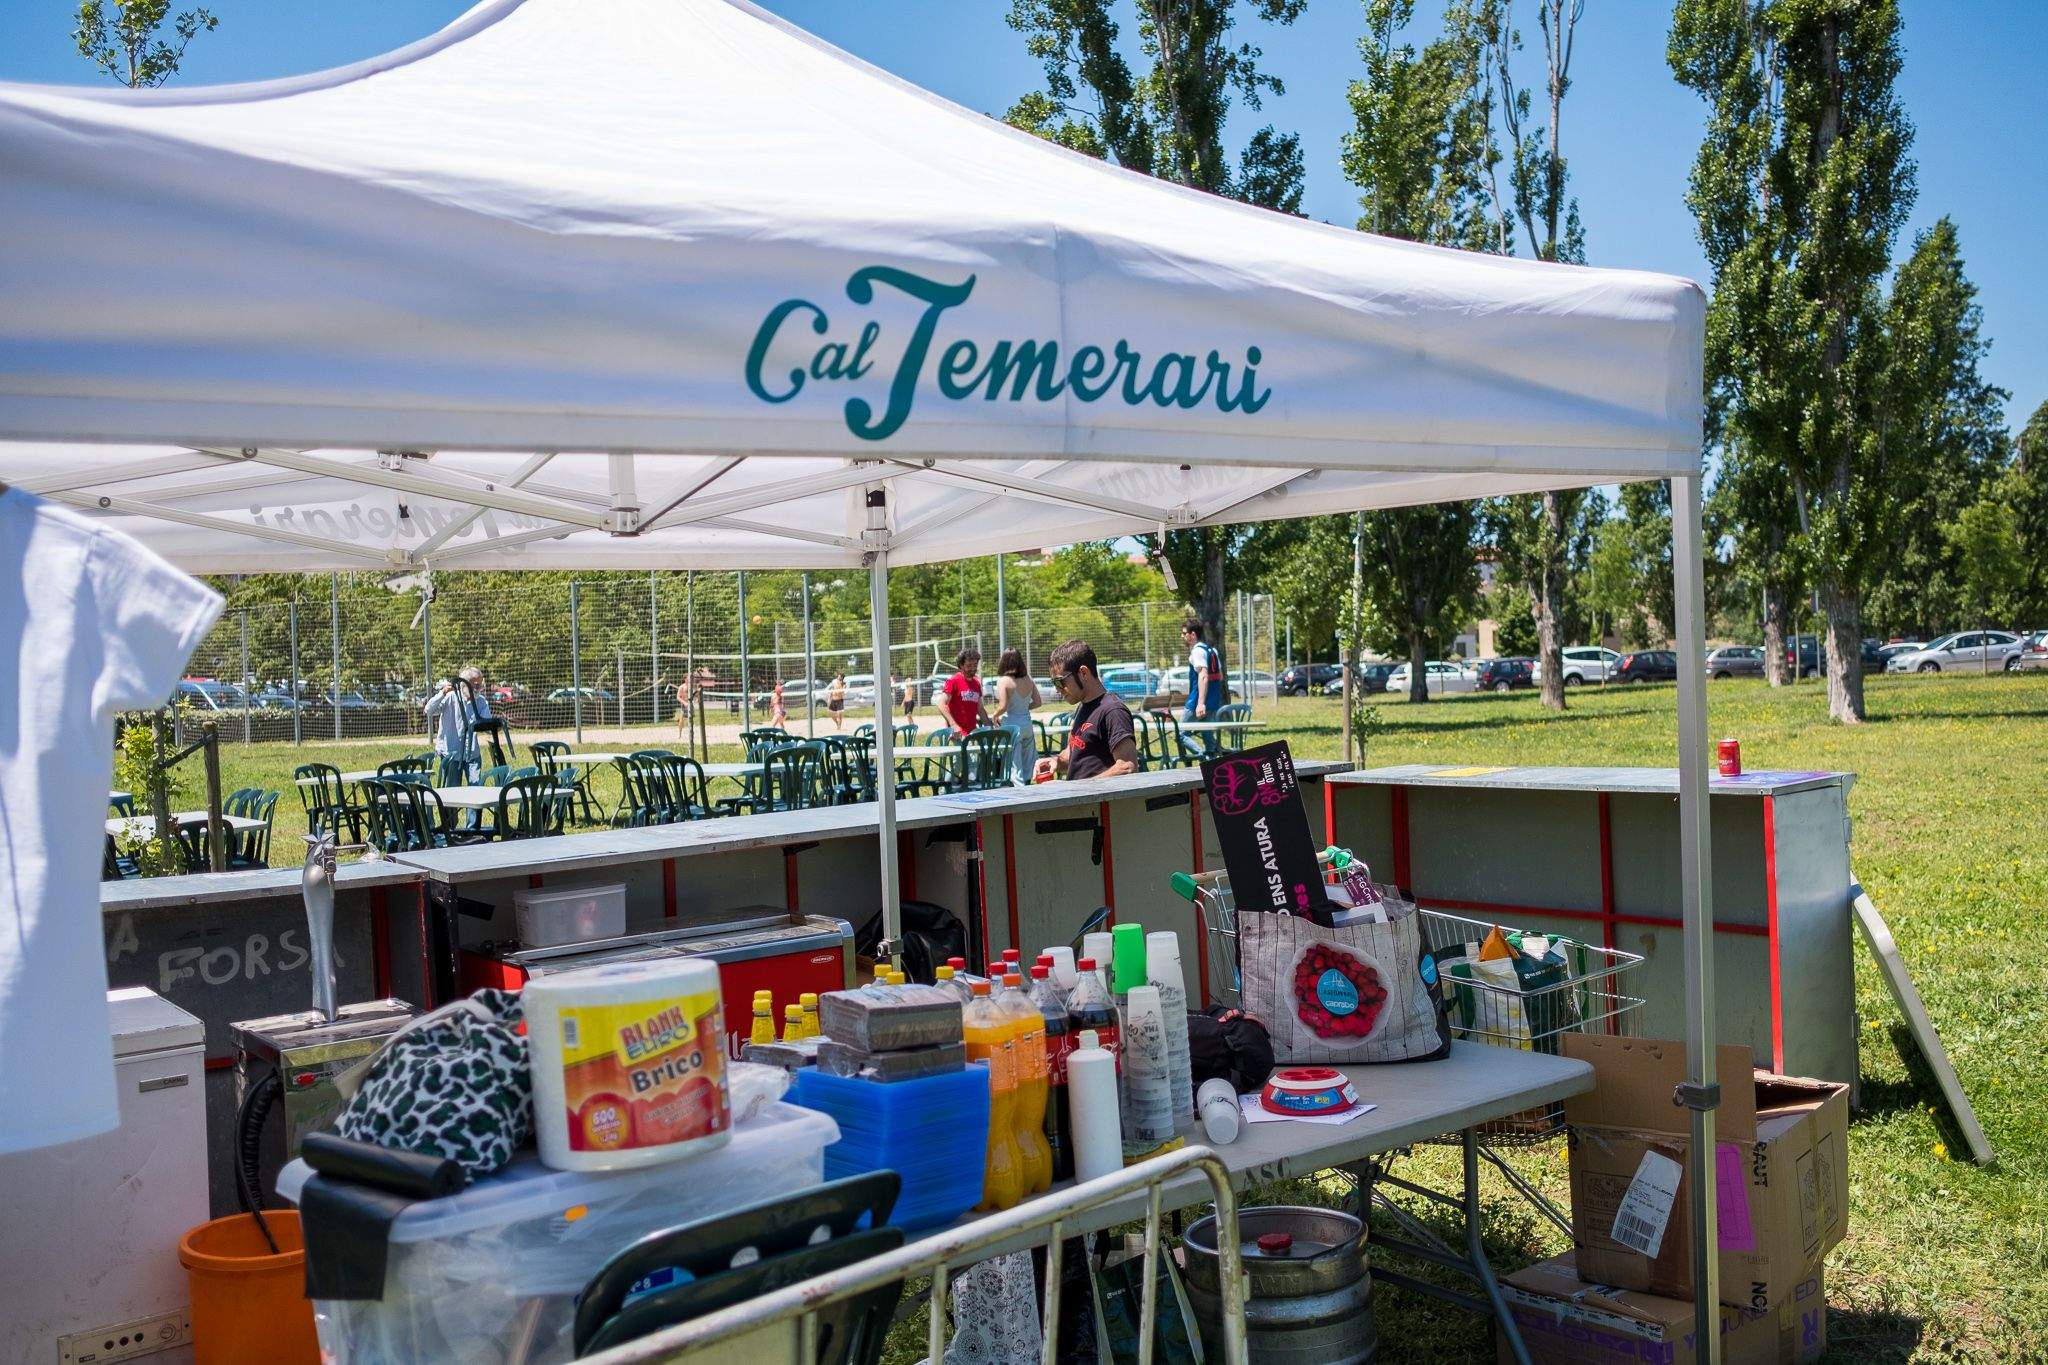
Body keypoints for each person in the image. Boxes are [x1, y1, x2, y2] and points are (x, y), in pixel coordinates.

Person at [1032, 640, 1138, 783]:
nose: (1057, 689)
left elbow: (1127, 767)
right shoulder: (1083, 707)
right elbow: (1074, 753)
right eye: (1054, 683)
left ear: (1083, 673)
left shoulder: (1113, 710)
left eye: (1059, 682)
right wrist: (1056, 761)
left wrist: (1079, 788)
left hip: (1099, 803)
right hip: (1081, 801)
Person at [423, 664, 493, 786]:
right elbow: (428, 710)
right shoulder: (450, 697)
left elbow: (487, 727)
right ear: (463, 683)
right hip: (451, 753)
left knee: (476, 792)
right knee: (451, 792)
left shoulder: (481, 701)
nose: (478, 688)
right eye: (474, 684)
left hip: (472, 754)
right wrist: (442, 693)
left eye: (480, 684)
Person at [991, 648, 1041, 785]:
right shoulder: (1028, 679)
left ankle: (1019, 793)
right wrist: (1024, 708)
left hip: (1011, 726)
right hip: (1027, 724)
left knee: (1015, 763)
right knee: (1029, 762)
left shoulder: (1004, 681)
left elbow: (1003, 707)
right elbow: (1038, 702)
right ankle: (1030, 788)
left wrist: (994, 715)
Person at [1182, 618, 1229, 754]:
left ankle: (1202, 757)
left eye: (1184, 633)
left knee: (1181, 733)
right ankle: (1212, 760)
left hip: (1196, 701)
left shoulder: (1197, 651)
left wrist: (1200, 703)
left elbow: (1203, 675)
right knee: (1207, 734)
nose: (1182, 636)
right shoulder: (1212, 650)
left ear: (1193, 635)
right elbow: (1219, 676)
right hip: (1213, 701)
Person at [940, 647, 988, 738]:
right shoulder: (953, 681)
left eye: (975, 665)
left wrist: (989, 727)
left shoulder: (976, 683)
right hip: (957, 735)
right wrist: (953, 725)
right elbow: (941, 704)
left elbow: (980, 709)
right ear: (961, 666)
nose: (973, 668)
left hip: (972, 733)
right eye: (969, 665)